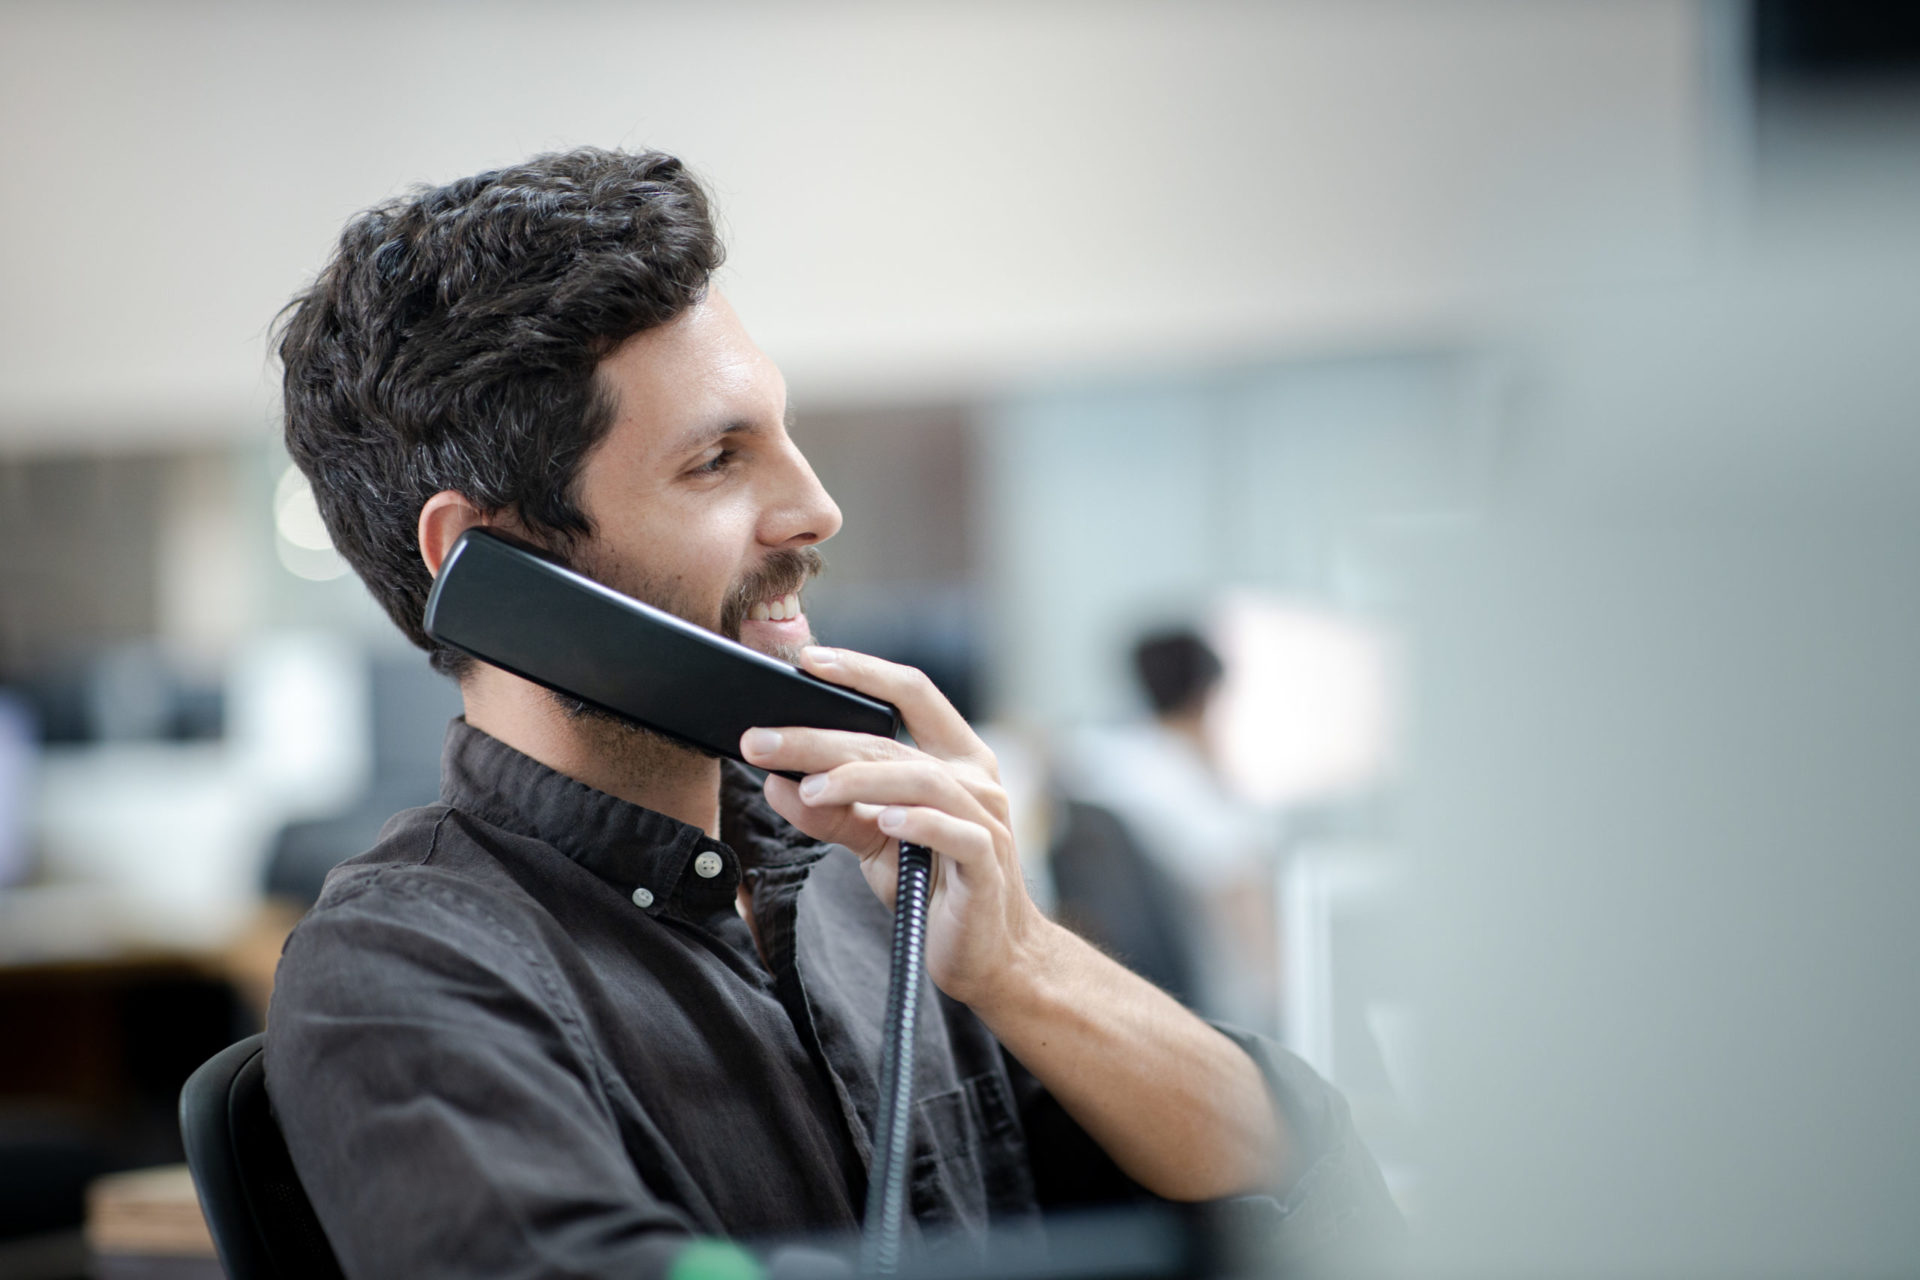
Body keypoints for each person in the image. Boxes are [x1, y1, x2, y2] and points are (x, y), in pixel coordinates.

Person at [266, 147, 1398, 1277]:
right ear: (492, 564)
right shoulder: (402, 966)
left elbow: (1298, 1177)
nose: (816, 507)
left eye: (783, 437)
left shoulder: (869, 883)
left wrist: (1020, 963)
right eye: (718, 460)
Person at [1055, 630, 1282, 1036]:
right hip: (1218, 1004)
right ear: (1207, 697)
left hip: (1147, 991)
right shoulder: (1176, 786)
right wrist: (1285, 1002)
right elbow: (1240, 892)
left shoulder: (1103, 760)